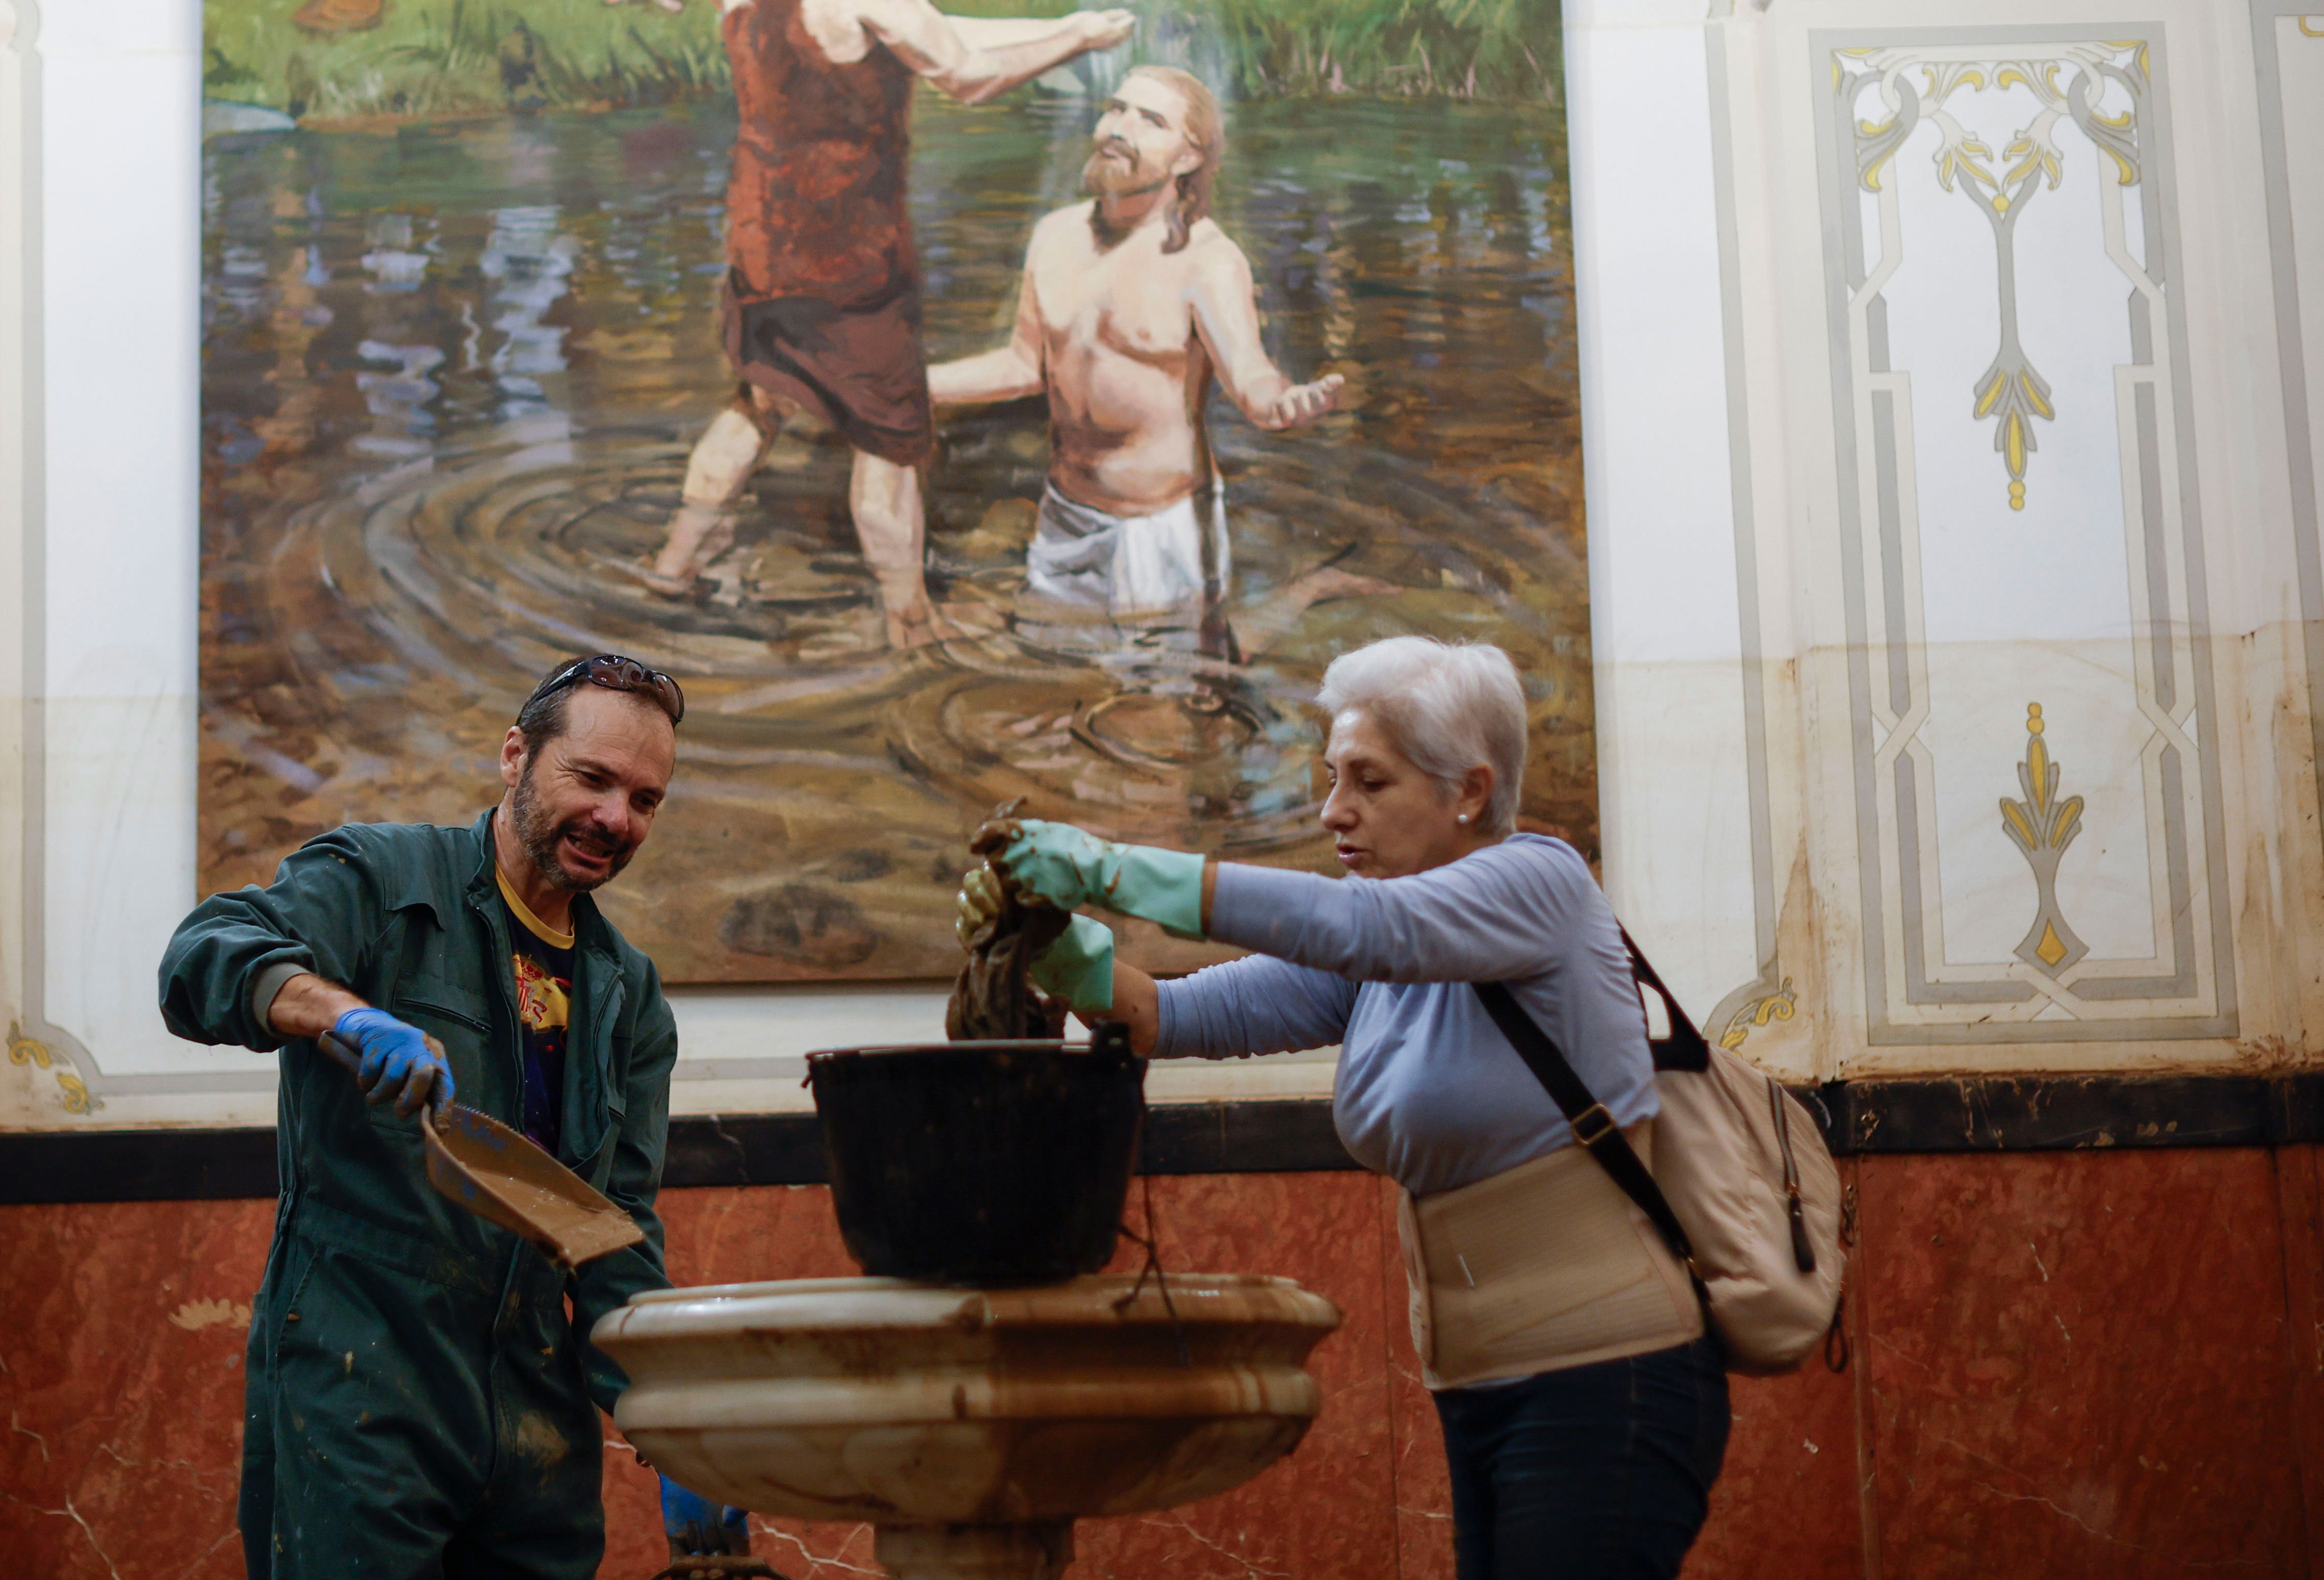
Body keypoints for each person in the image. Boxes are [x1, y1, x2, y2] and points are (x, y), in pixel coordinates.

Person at [961, 634, 1729, 1580]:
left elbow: (1358, 925)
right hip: (1484, 1382)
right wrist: (1052, 942)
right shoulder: (1383, 950)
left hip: (1611, 1377)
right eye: (1332, 777)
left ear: (1471, 792)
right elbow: (1170, 1013)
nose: (1334, 811)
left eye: (1368, 781)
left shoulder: (1542, 884)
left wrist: (1115, 871)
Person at [159, 653, 718, 1580]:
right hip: (362, 1398)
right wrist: (342, 1012)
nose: (615, 818)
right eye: (592, 778)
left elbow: (614, 1238)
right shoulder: (384, 881)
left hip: (538, 1436)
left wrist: (678, 1423)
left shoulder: (631, 996)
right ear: (516, 756)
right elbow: (202, 957)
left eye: (646, 799)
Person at [632, 0, 1136, 647]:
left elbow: (940, 34)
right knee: (889, 437)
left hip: (762, 245)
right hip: (849, 259)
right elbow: (964, 75)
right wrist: (1071, 43)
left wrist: (1076, 29)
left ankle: (674, 565)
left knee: (762, 399)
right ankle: (913, 623)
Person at [925, 65, 1342, 643]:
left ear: (1189, 158)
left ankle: (1306, 593)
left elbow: (1251, 379)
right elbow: (1024, 366)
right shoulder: (1054, 235)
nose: (1120, 128)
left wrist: (1281, 405)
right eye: (1116, 109)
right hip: (1066, 512)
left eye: (1150, 120)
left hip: (1162, 528)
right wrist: (906, 386)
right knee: (1050, 667)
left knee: (1165, 702)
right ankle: (1300, 595)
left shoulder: (1208, 261)